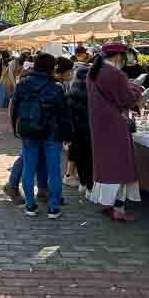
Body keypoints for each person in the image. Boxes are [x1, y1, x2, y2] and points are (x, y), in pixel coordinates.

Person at [86, 43, 143, 221]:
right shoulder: (114, 73)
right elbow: (126, 99)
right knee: (120, 166)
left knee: (106, 164)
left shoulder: (94, 71)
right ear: (119, 56)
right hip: (115, 123)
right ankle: (118, 209)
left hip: (99, 123)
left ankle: (109, 204)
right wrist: (136, 88)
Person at [10, 52, 71, 219]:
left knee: (29, 168)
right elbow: (64, 114)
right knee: (54, 171)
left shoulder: (23, 84)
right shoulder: (56, 87)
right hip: (52, 133)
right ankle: (53, 208)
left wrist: (15, 128)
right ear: (52, 68)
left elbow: (14, 107)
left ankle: (30, 206)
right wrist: (68, 134)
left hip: (29, 131)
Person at [67, 46, 94, 195]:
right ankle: (88, 186)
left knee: (80, 158)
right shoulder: (89, 93)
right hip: (87, 130)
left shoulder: (74, 90)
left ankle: (83, 184)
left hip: (76, 130)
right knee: (88, 159)